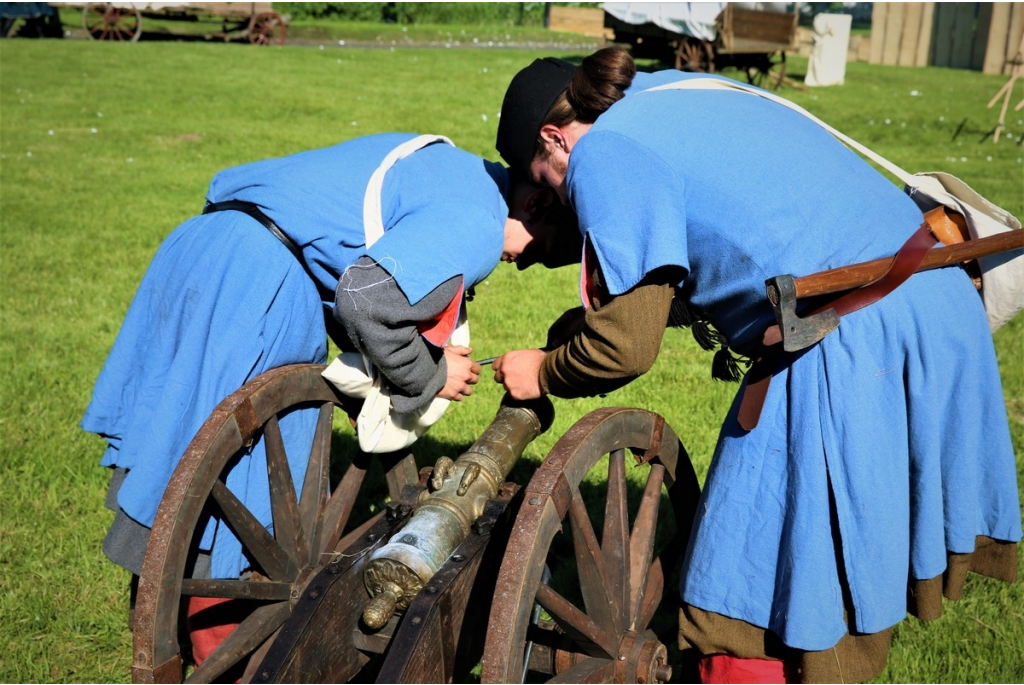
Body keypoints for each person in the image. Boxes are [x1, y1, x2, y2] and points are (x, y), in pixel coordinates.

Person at [490, 48, 1021, 683]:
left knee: (746, 598)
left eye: (543, 178)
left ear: (555, 139)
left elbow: (627, 345)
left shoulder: (603, 151)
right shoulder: (677, 91)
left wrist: (543, 373)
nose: (554, 196)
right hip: (934, 293)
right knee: (820, 562)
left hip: (850, 329)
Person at [81, 132, 575, 663]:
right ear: (537, 201)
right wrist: (430, 375)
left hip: (206, 248)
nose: (518, 263)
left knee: (176, 452)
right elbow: (366, 300)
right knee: (245, 489)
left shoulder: (453, 169)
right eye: (537, 249)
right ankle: (227, 661)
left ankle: (160, 617)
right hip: (259, 283)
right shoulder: (479, 219)